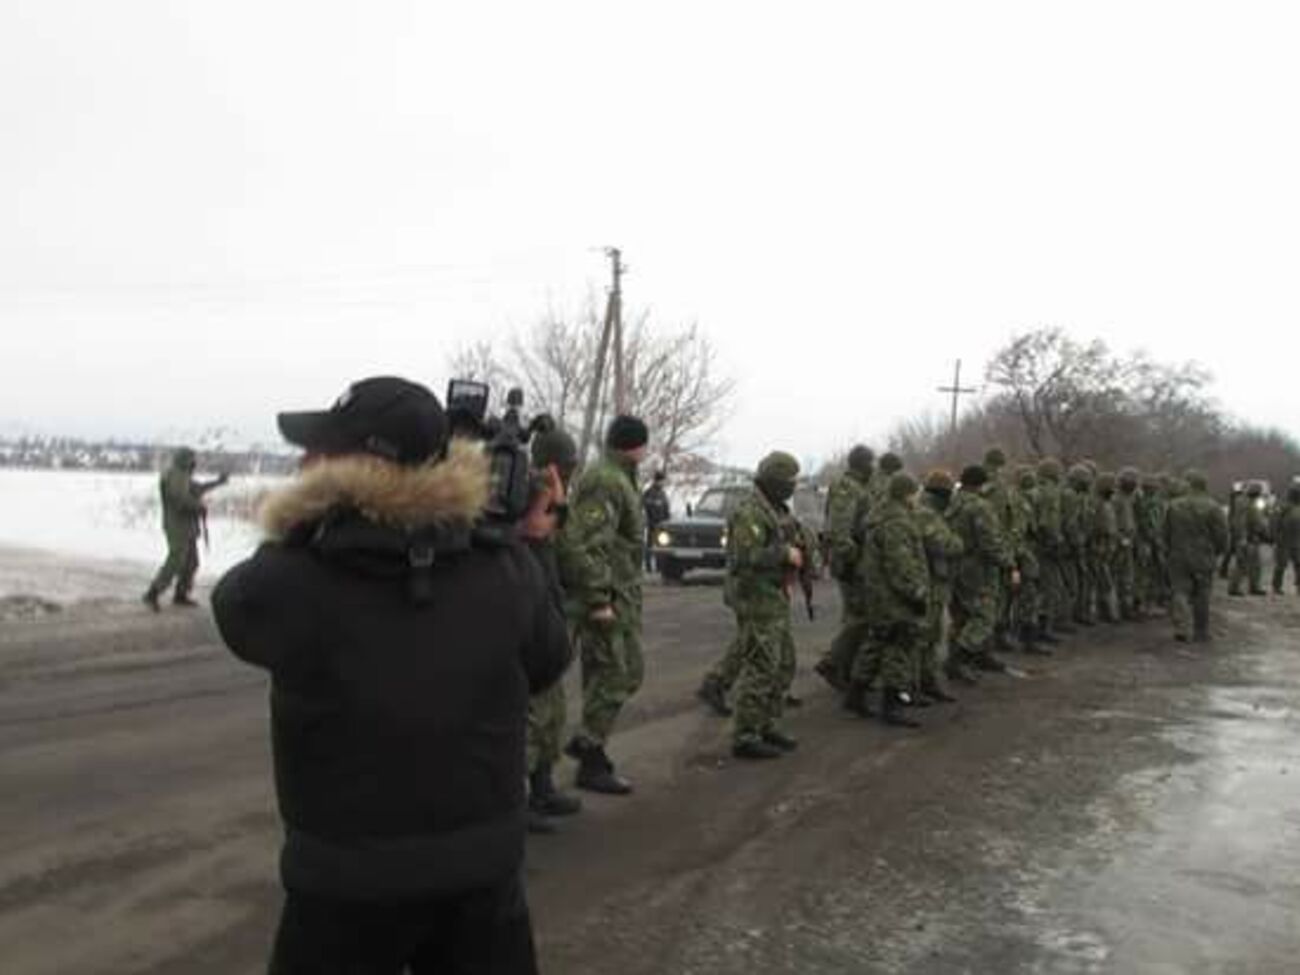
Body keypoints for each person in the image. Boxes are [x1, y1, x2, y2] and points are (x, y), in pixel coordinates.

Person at [211, 376, 570, 975]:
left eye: (319, 451)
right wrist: (531, 542)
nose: (303, 461)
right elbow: (549, 657)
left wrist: (305, 519)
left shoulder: (297, 576)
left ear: (352, 468)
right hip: (481, 881)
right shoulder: (503, 565)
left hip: (343, 891)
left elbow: (239, 614)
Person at [562, 414, 649, 794]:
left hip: (621, 596)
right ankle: (590, 752)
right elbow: (587, 543)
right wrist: (598, 599)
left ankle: (588, 746)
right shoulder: (605, 480)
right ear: (637, 445)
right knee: (615, 674)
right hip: (604, 598)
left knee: (622, 673)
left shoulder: (622, 477)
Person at [523, 427, 584, 835]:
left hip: (549, 609)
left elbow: (561, 548)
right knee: (527, 716)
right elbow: (534, 537)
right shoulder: (524, 494)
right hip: (524, 613)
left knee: (552, 711)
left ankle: (543, 787)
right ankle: (517, 801)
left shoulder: (555, 496)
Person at [726, 451, 804, 759]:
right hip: (755, 598)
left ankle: (766, 723)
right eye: (789, 481)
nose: (792, 487)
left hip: (772, 596)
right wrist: (785, 555)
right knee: (761, 666)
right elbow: (746, 556)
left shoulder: (773, 509)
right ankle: (745, 735)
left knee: (784, 663)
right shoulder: (750, 512)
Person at [814, 445, 874, 695]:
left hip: (856, 560)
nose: (874, 468)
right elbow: (839, 530)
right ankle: (833, 662)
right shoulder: (848, 488)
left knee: (857, 616)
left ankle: (846, 668)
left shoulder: (857, 487)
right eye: (871, 463)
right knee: (860, 618)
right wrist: (852, 559)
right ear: (863, 464)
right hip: (852, 563)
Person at [947, 463, 1016, 681]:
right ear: (981, 484)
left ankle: (978, 655)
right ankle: (958, 659)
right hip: (978, 568)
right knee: (985, 616)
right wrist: (1008, 563)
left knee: (961, 615)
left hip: (955, 565)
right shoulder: (980, 506)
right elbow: (989, 542)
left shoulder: (952, 502)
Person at [142, 446, 228, 610]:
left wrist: (217, 482)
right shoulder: (175, 476)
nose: (194, 463)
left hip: (187, 526)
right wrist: (198, 506)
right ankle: (153, 592)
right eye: (192, 459)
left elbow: (197, 488)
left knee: (191, 563)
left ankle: (181, 594)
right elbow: (180, 499)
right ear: (185, 460)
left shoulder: (182, 475)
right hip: (177, 526)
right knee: (176, 560)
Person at [912, 469, 962, 704]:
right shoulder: (925, 514)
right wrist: (957, 542)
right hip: (927, 581)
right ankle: (915, 684)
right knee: (923, 635)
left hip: (934, 580)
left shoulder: (930, 511)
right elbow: (943, 543)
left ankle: (927, 680)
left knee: (933, 635)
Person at [1166, 469, 1229, 643]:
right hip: (1203, 555)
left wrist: (1168, 550)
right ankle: (1201, 631)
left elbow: (1165, 532)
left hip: (1178, 554)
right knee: (1202, 593)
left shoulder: (1174, 505)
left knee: (1180, 590)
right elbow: (1222, 534)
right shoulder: (1213, 507)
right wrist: (1219, 551)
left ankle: (1182, 627)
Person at [1228, 481, 1270, 596]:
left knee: (1255, 564)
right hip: (1246, 537)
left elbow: (1258, 519)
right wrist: (1243, 538)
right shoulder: (1244, 503)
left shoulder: (1251, 502)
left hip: (1253, 537)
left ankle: (1254, 586)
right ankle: (1234, 588)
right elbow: (1241, 522)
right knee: (1241, 564)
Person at [641, 470, 671, 572]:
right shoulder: (649, 493)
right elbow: (644, 508)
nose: (662, 483)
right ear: (656, 480)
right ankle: (648, 566)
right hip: (652, 524)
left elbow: (666, 509)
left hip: (662, 524)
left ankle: (660, 567)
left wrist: (668, 521)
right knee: (650, 546)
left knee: (661, 545)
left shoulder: (663, 493)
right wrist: (648, 520)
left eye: (663, 481)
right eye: (661, 481)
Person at [1273, 484, 1300, 594]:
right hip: (1284, 540)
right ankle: (1276, 586)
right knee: (1281, 565)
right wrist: (1275, 537)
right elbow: (1276, 523)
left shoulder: (1287, 508)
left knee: (1298, 564)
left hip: (1296, 540)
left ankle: (1298, 586)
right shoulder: (1284, 508)